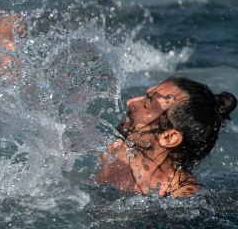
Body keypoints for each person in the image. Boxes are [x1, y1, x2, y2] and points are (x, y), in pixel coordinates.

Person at [95, 77, 236, 197]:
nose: (131, 102)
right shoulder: (116, 152)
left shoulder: (183, 196)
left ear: (169, 138)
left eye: (146, 104)